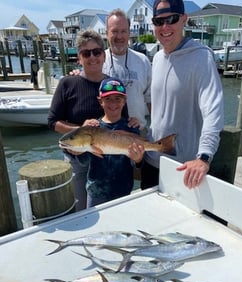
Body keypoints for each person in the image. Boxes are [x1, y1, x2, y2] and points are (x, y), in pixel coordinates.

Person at [141, 0, 224, 190]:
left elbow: (213, 110)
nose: (165, 26)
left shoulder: (202, 57)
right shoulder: (158, 58)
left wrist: (204, 156)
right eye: (158, 21)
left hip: (185, 169)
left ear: (184, 19)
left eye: (172, 19)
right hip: (152, 163)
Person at [48, 29, 131, 211]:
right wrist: (81, 129)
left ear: (104, 56)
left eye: (96, 52)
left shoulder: (112, 85)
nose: (92, 57)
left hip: (107, 160)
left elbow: (122, 118)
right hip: (79, 159)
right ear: (79, 58)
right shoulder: (67, 83)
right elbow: (53, 122)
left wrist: (132, 124)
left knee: (113, 209)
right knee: (83, 212)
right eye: (86, 53)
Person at [85, 77, 144, 207]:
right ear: (100, 101)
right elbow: (83, 161)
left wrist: (138, 160)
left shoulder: (131, 127)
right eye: (108, 99)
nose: (113, 104)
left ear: (124, 101)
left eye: (118, 99)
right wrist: (75, 150)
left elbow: (137, 165)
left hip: (123, 190)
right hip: (96, 192)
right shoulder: (93, 128)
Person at [103, 8, 152, 132]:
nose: (119, 36)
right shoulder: (97, 61)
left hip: (138, 132)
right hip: (107, 136)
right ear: (106, 33)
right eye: (114, 31)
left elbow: (150, 99)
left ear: (129, 33)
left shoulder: (143, 61)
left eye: (123, 31)